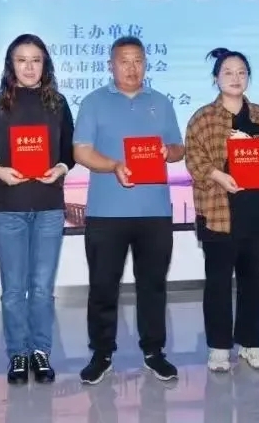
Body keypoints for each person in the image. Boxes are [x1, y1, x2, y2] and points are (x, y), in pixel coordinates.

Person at [72, 35, 186, 385]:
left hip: (154, 212)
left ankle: (154, 352)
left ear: (146, 64)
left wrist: (169, 152)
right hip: (106, 212)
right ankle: (101, 353)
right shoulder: (93, 102)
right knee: (103, 287)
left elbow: (178, 148)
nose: (132, 68)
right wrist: (114, 166)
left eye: (138, 61)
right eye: (124, 61)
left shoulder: (161, 103)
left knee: (153, 286)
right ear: (111, 65)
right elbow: (81, 151)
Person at [0, 33, 74, 384]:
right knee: (14, 289)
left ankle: (40, 352)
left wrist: (60, 168)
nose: (29, 67)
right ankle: (18, 352)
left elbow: (69, 152)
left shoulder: (58, 103)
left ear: (45, 64)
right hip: (8, 207)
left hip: (48, 206)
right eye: (22, 60)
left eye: (36, 60)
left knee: (43, 288)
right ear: (10, 65)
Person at [184, 48, 259, 372]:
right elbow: (194, 159)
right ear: (216, 78)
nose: (235, 78)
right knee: (217, 284)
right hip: (218, 212)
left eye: (241, 72)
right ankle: (218, 347)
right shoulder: (203, 118)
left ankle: (251, 343)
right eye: (228, 72)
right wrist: (218, 175)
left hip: (257, 211)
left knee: (252, 282)